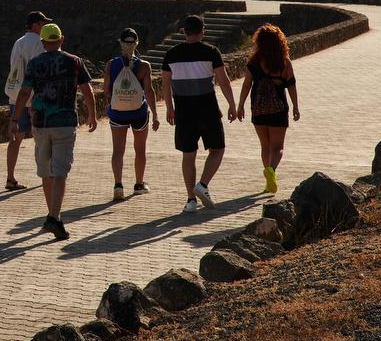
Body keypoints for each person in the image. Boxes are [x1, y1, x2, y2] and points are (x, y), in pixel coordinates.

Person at [10, 22, 97, 240]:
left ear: (42, 42)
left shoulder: (34, 63)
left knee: (46, 171)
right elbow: (87, 90)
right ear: (61, 39)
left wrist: (14, 119)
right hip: (65, 122)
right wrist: (93, 115)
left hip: (40, 123)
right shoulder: (74, 62)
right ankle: (54, 217)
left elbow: (24, 93)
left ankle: (52, 214)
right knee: (60, 172)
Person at [161, 14, 238, 213]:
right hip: (208, 110)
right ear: (202, 31)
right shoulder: (211, 52)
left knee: (188, 155)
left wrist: (170, 108)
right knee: (217, 150)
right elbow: (223, 81)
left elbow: (165, 84)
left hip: (183, 112)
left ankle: (191, 200)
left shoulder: (171, 54)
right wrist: (232, 105)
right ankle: (202, 185)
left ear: (184, 32)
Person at [235, 23, 300, 195]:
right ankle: (271, 170)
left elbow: (247, 85)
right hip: (279, 109)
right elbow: (291, 85)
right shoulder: (284, 62)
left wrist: (240, 105)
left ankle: (268, 180)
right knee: (277, 147)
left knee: (265, 146)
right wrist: (295, 106)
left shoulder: (254, 61)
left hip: (258, 109)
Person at [105, 27, 158, 200]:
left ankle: (118, 185)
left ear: (121, 43)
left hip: (117, 114)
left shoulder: (111, 64)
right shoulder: (144, 66)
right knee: (140, 150)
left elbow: (106, 90)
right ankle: (139, 184)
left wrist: (113, 102)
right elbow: (149, 91)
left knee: (117, 151)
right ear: (136, 44)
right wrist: (155, 115)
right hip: (139, 114)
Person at [2, 10, 51, 191]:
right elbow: (39, 71)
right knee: (42, 138)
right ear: (35, 25)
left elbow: (14, 67)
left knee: (16, 139)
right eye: (43, 23)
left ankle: (10, 177)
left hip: (15, 96)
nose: (45, 26)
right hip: (33, 97)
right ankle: (45, 174)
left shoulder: (18, 42)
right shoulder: (39, 42)